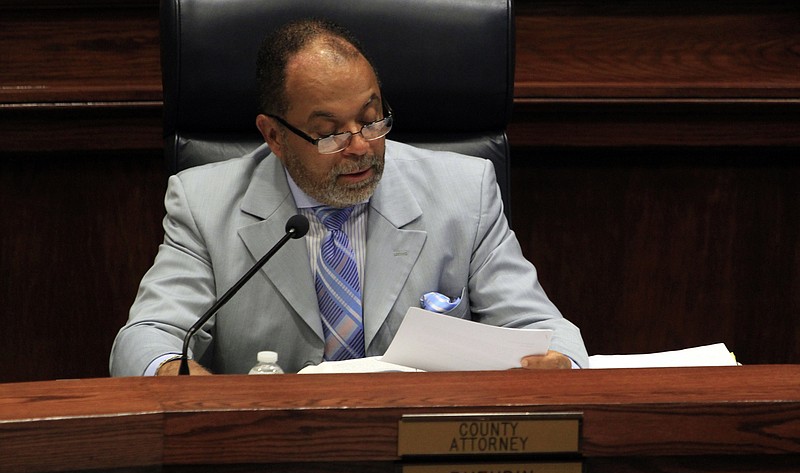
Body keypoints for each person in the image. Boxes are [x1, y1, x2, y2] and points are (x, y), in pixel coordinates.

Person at [110, 19, 588, 376]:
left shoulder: (465, 192)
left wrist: (555, 365)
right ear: (274, 136)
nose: (360, 145)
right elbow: (145, 340)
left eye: (371, 118)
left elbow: (545, 329)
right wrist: (198, 389)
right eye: (329, 133)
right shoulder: (204, 203)